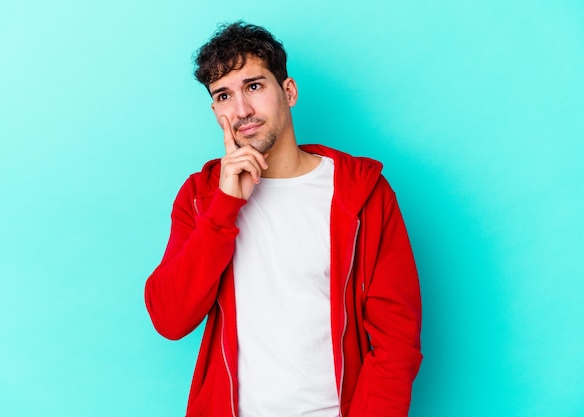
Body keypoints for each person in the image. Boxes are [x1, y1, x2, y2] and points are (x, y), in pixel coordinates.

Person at [144, 21, 422, 417]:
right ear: (214, 110)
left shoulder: (362, 192)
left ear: (288, 92)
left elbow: (397, 337)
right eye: (224, 95)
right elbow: (169, 318)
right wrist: (224, 206)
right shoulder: (201, 196)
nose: (241, 110)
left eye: (254, 86)